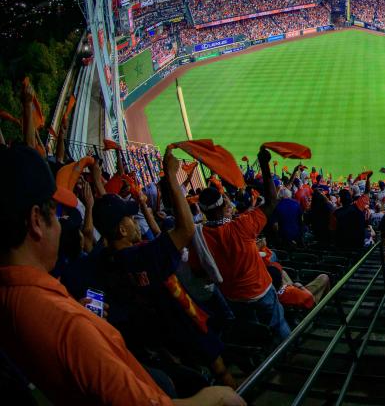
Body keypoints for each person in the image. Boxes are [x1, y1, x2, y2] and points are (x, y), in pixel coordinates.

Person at [0, 143, 244, 405]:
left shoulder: (21, 298)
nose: (61, 226)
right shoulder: (69, 323)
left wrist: (95, 196)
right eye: (57, 215)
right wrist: (214, 399)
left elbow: (99, 235)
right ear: (37, 221)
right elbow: (185, 230)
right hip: (164, 362)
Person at [93, 146, 235, 388]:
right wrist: (171, 176)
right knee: (222, 376)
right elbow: (186, 230)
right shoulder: (144, 255)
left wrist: (97, 181)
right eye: (129, 217)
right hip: (184, 330)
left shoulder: (103, 261)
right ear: (122, 230)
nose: (134, 221)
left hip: (158, 342)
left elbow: (98, 228)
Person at [200, 147, 290, 342]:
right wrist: (265, 165)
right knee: (278, 324)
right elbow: (272, 201)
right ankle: (289, 353)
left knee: (254, 332)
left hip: (232, 296)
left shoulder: (199, 235)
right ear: (224, 206)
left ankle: (264, 360)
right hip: (259, 288)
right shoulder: (241, 225)